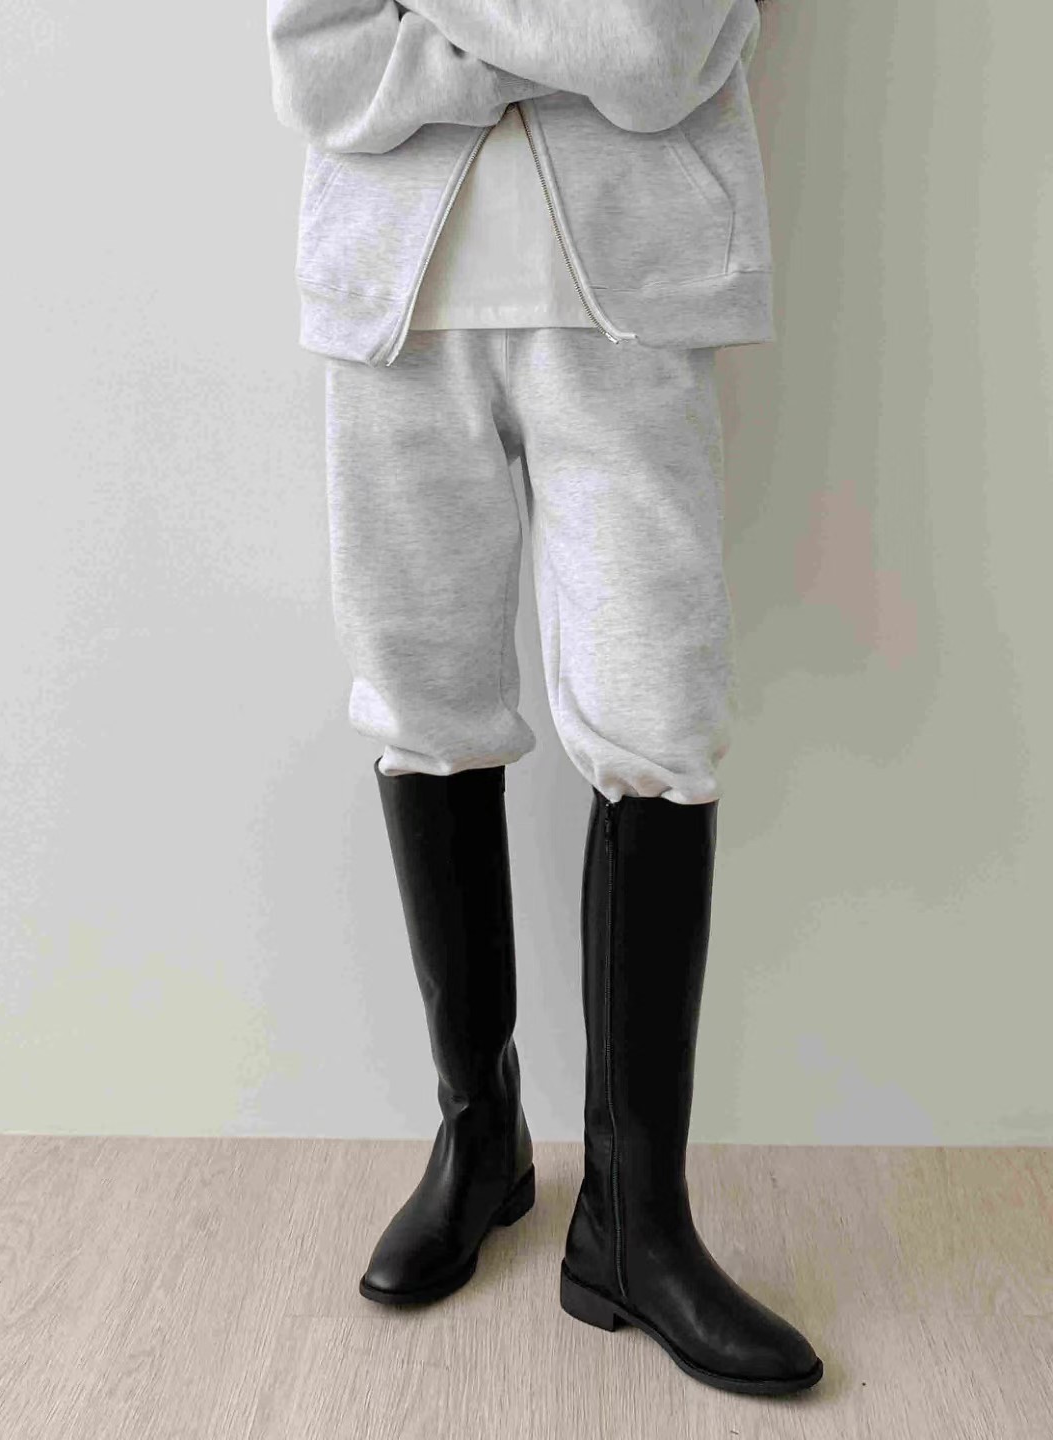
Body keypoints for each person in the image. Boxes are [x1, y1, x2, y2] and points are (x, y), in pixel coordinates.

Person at [266, 0, 824, 1398]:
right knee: (422, 708)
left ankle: (636, 1221)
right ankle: (481, 1137)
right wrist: (558, 33)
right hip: (393, 309)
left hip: (633, 302)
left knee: (660, 729)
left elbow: (658, 47)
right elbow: (321, 63)